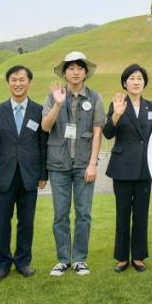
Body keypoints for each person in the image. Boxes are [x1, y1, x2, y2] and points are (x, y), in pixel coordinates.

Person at [0, 65, 48, 281]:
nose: (18, 83)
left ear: (29, 82)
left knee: (26, 222)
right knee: (2, 222)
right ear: (8, 83)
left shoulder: (39, 110)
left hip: (30, 175)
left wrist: (43, 174)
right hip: (4, 175)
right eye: (13, 80)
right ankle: (2, 264)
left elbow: (43, 144)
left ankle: (23, 261)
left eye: (22, 79)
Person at [42, 51, 106, 276]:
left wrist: (93, 164)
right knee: (60, 214)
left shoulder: (95, 97)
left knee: (83, 213)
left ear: (86, 73)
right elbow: (45, 126)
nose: (75, 72)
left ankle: (79, 259)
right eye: (71, 68)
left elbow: (97, 132)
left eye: (80, 68)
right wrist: (58, 104)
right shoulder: (53, 96)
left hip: (83, 164)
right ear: (64, 73)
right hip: (58, 164)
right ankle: (63, 259)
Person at [102, 64, 152, 273]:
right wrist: (116, 115)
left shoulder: (151, 106)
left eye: (140, 78)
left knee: (141, 214)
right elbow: (108, 133)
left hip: (144, 167)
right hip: (123, 167)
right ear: (125, 83)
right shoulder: (117, 104)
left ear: (144, 82)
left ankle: (138, 256)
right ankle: (121, 257)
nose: (136, 82)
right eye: (132, 78)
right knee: (123, 213)